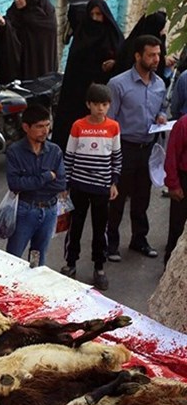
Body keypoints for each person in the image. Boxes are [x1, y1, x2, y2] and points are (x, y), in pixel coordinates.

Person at [106, 34, 169, 262]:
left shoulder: (160, 84)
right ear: (138, 56)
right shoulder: (118, 84)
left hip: (148, 147)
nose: (155, 59)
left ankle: (139, 239)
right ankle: (110, 243)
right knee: (117, 198)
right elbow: (109, 120)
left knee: (143, 196)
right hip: (124, 147)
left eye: (158, 54)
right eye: (151, 55)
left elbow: (163, 106)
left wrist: (162, 116)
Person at [60, 83, 122, 291]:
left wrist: (113, 181)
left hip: (102, 186)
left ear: (109, 105)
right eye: (96, 104)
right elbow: (69, 156)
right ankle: (70, 263)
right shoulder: (78, 126)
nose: (100, 109)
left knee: (99, 228)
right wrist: (65, 184)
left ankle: (99, 267)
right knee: (75, 226)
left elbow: (116, 157)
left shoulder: (113, 127)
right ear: (88, 104)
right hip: (79, 185)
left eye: (104, 104)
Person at [51, 0, 123, 151]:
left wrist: (114, 63)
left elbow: (123, 60)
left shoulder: (113, 36)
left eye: (99, 14)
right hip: (78, 92)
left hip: (104, 93)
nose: (95, 18)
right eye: (92, 14)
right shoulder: (82, 35)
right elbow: (76, 66)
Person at [4, 104, 67, 266]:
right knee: (13, 257)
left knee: (38, 258)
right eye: (39, 126)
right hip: (25, 210)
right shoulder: (15, 151)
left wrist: (31, 182)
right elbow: (15, 184)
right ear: (26, 127)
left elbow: (60, 183)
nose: (45, 131)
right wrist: (46, 176)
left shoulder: (55, 151)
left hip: (50, 210)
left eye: (47, 125)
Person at [0, 0, 59, 84]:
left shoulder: (46, 11)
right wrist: (4, 25)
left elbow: (49, 35)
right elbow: (10, 26)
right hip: (24, 63)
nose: (16, 0)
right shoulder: (14, 12)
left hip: (41, 61)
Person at [112, 11, 170, 81]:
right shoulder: (134, 48)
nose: (156, 59)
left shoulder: (129, 43)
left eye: (158, 54)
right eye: (161, 28)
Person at [163, 113, 187, 265]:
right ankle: (170, 265)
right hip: (184, 181)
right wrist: (173, 184)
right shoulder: (183, 124)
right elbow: (171, 155)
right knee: (178, 228)